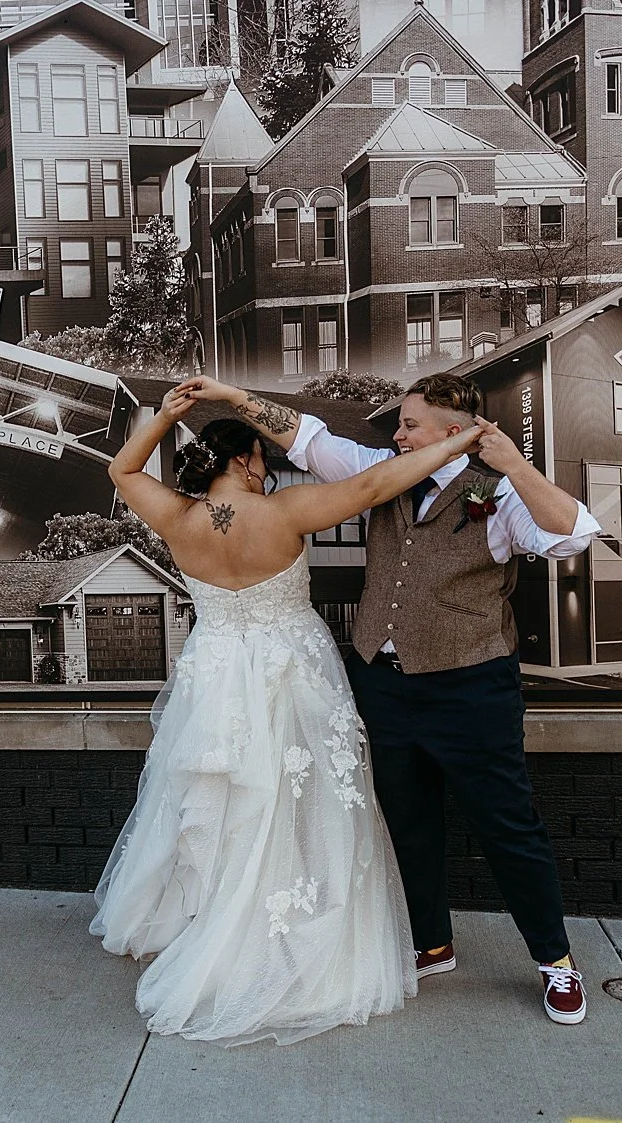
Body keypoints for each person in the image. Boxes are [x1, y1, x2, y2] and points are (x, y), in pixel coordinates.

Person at [184, 371, 603, 1025]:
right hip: (384, 682)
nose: (397, 433)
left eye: (410, 423)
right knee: (405, 817)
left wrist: (513, 462)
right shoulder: (382, 467)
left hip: (471, 686)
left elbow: (574, 533)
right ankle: (431, 941)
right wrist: (234, 398)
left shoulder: (499, 491)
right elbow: (307, 435)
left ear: (452, 430)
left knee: (508, 828)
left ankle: (557, 962)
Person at [91, 383, 489, 1045]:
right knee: (303, 806)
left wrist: (164, 416)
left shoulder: (177, 518)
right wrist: (457, 440)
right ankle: (284, 931)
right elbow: (375, 485)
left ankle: (219, 915)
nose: (269, 470)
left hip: (215, 680)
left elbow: (121, 469)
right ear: (248, 460)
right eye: (264, 462)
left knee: (225, 803)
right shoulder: (285, 512)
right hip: (292, 675)